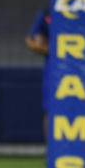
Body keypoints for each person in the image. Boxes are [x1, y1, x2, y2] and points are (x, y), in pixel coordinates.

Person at [26, 8, 51, 139]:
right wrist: (49, 49)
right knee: (50, 109)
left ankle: (80, 151)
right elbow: (30, 41)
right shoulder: (47, 12)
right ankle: (51, 151)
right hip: (54, 68)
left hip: (80, 67)